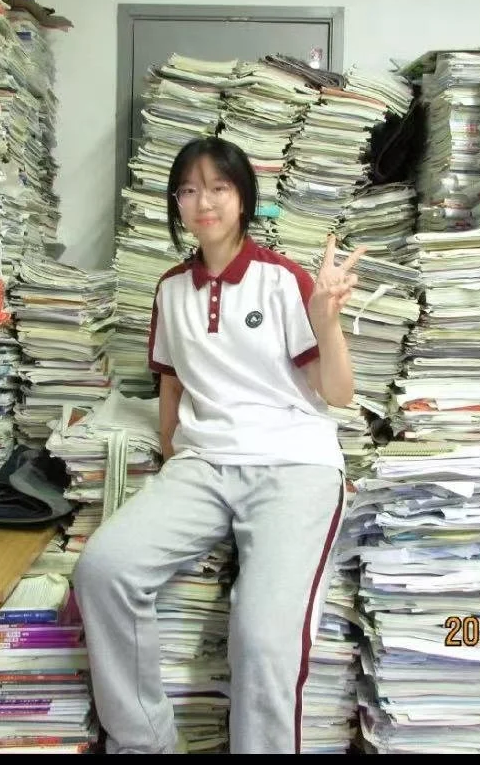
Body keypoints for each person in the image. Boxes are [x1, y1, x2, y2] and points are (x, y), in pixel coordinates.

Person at [72, 136, 365, 754]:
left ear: (243, 198)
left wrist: (328, 320)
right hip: (205, 465)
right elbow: (172, 384)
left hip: (293, 465)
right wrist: (170, 462)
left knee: (262, 636)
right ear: (175, 203)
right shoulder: (169, 290)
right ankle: (144, 742)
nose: (202, 202)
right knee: (103, 569)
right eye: (188, 189)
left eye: (218, 187)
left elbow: (337, 393)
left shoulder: (283, 279)